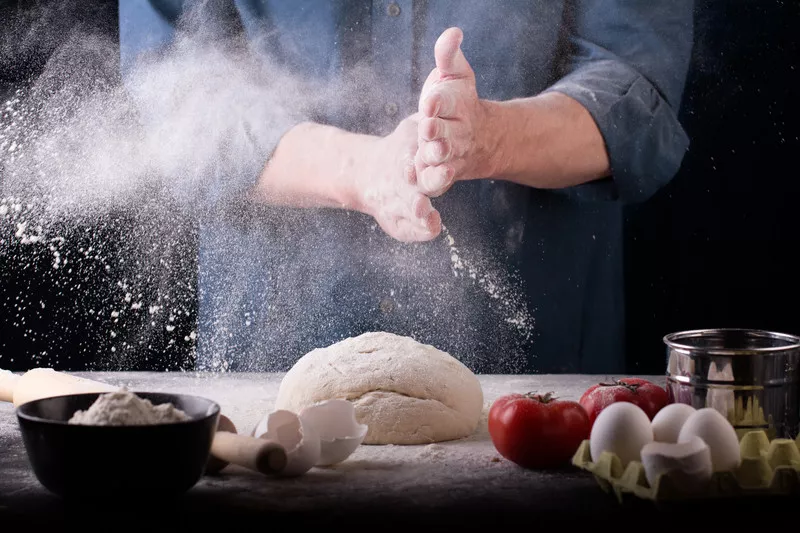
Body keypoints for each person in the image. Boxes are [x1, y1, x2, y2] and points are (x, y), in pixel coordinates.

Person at [118, 1, 693, 374]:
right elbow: (170, 93)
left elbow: (636, 92)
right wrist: (358, 170)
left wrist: (488, 138)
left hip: (538, 386)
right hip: (271, 369)